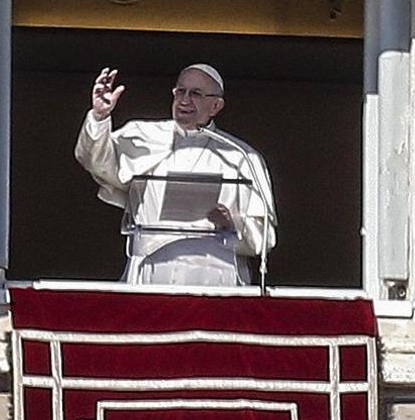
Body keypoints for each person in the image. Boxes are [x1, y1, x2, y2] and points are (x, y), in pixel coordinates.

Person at [74, 63, 276, 286]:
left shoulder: (241, 156)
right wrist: (99, 117)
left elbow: (263, 237)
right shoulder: (143, 136)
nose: (185, 100)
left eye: (196, 94)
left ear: (216, 105)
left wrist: (230, 225)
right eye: (180, 91)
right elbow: (94, 161)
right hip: (152, 271)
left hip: (216, 276)